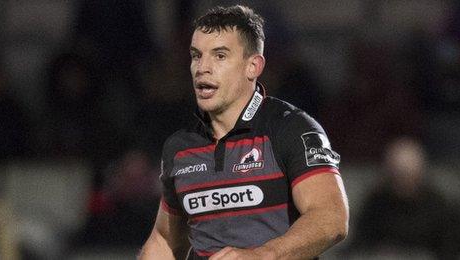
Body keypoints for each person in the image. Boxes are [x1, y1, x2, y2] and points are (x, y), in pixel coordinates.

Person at [139, 5, 349, 260]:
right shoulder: (180, 147)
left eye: (219, 56)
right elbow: (164, 240)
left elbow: (331, 219)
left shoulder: (291, 128)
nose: (202, 67)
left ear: (253, 66)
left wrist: (262, 256)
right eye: (196, 55)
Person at [347, 137, 460, 259]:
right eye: (398, 175)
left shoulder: (439, 206)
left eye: (408, 175)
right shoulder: (376, 204)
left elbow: (452, 247)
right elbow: (361, 245)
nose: (403, 182)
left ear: (420, 172)